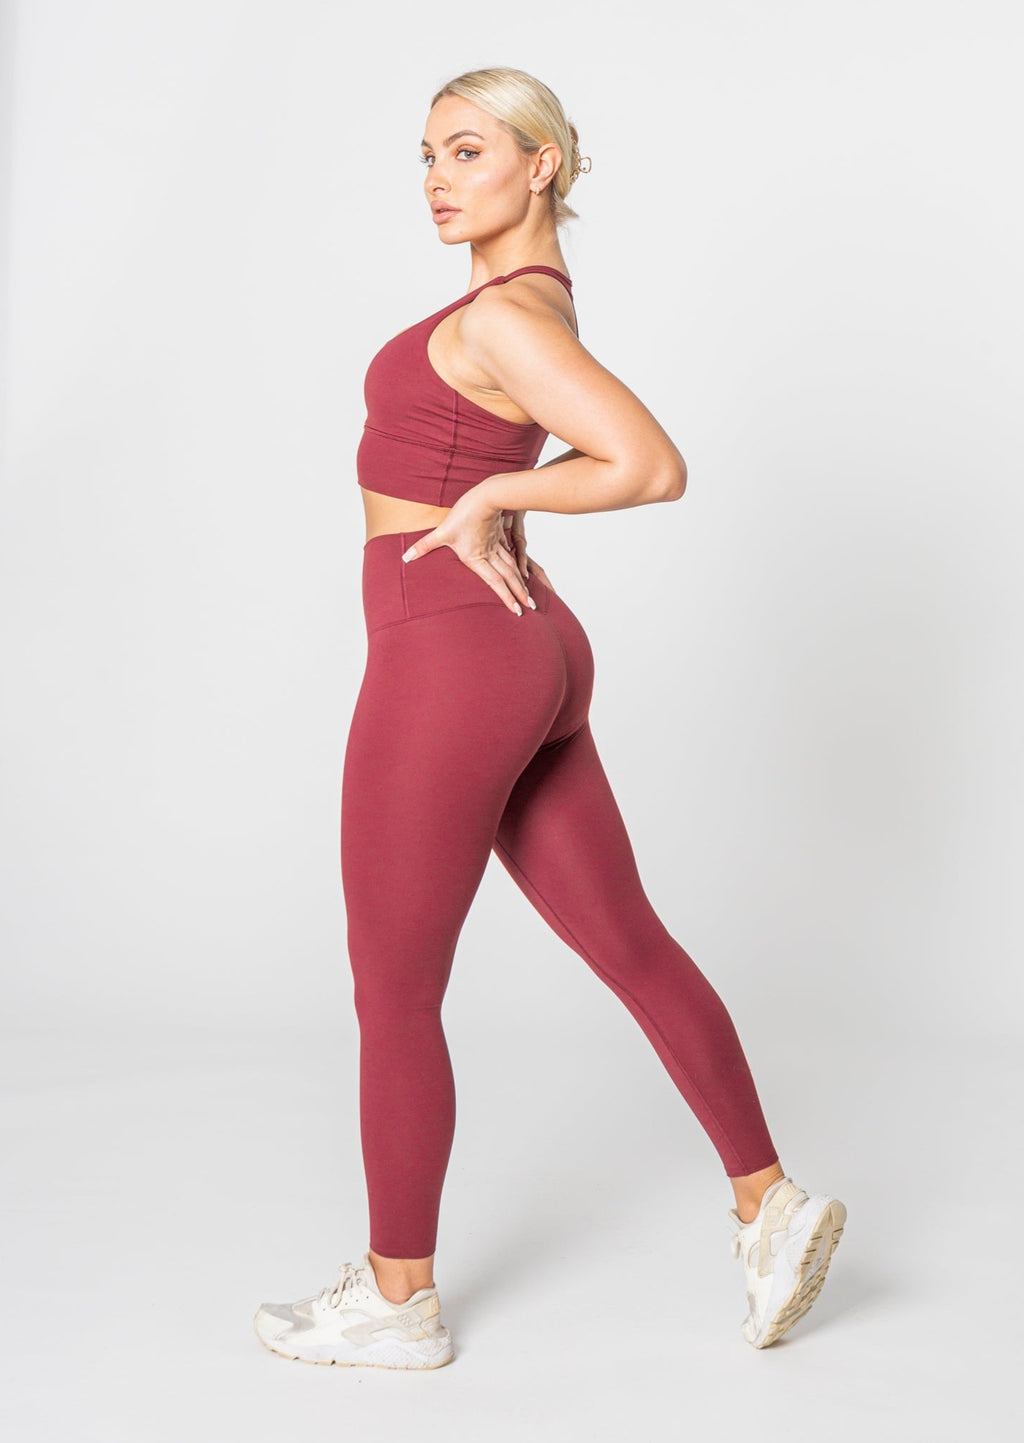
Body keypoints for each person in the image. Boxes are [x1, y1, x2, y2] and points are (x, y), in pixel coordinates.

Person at [253, 65, 846, 1371]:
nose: (436, 179)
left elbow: (649, 463)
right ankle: (769, 1203)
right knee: (629, 942)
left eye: (467, 150)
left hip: (449, 655)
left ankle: (398, 1300)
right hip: (527, 650)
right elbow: (577, 449)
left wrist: (485, 503)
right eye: (426, 156)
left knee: (394, 990)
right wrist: (499, 497)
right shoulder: (531, 305)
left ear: (544, 165)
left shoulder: (505, 317)